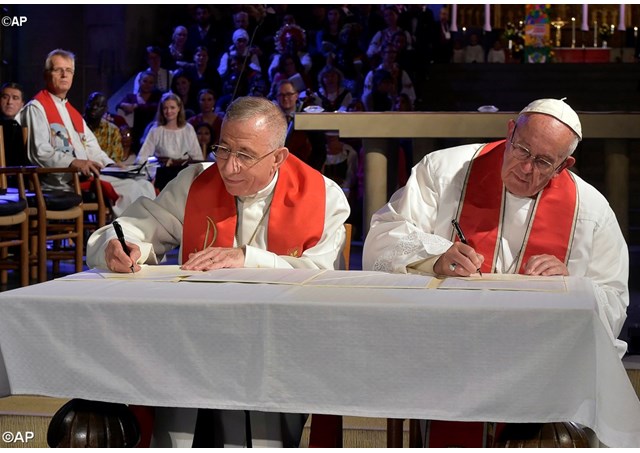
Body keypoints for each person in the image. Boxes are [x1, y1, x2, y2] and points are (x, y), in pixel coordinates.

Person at [86, 95, 350, 448]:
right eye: (223, 149)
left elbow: (323, 275)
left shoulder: (323, 196)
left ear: (278, 158)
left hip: (278, 345)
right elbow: (135, 227)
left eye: (244, 155)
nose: (228, 168)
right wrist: (119, 247)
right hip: (195, 340)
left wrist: (248, 258)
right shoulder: (196, 182)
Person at [362, 98, 629, 447]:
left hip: (540, 363)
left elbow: (614, 302)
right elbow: (382, 238)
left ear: (565, 164)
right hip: (445, 350)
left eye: (544, 161)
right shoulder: (444, 171)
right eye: (521, 150)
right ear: (509, 132)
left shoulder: (590, 210)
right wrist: (434, 257)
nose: (526, 168)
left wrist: (573, 286)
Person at [20, 49, 156, 217]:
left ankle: (145, 237)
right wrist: (73, 162)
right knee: (132, 189)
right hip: (61, 180)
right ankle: (124, 238)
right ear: (46, 74)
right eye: (58, 70)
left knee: (144, 184)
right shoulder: (36, 108)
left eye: (69, 70)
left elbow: (93, 149)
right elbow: (40, 152)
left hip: (81, 176)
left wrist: (110, 164)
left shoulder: (72, 113)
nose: (64, 75)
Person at [136, 92, 202, 165]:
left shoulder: (188, 129)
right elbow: (143, 156)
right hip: (162, 171)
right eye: (165, 108)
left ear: (179, 108)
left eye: (172, 107)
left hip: (184, 171)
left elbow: (197, 156)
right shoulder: (156, 129)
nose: (168, 111)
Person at [84, 92, 125, 163]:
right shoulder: (75, 124)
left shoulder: (112, 130)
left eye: (98, 105)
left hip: (105, 171)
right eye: (91, 103)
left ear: (105, 109)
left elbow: (116, 159)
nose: (94, 107)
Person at [0, 82, 29, 166]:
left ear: (22, 103)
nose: (9, 102)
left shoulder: (27, 127)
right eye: (5, 97)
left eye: (15, 98)